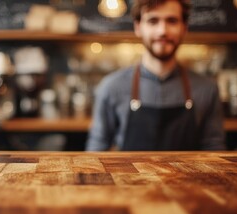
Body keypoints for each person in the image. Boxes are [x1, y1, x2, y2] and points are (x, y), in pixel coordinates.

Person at [86, 0, 225, 151]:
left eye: (172, 21)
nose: (162, 31)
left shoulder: (207, 89)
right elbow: (96, 151)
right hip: (131, 175)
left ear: (184, 28)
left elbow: (214, 150)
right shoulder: (111, 87)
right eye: (153, 21)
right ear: (138, 27)